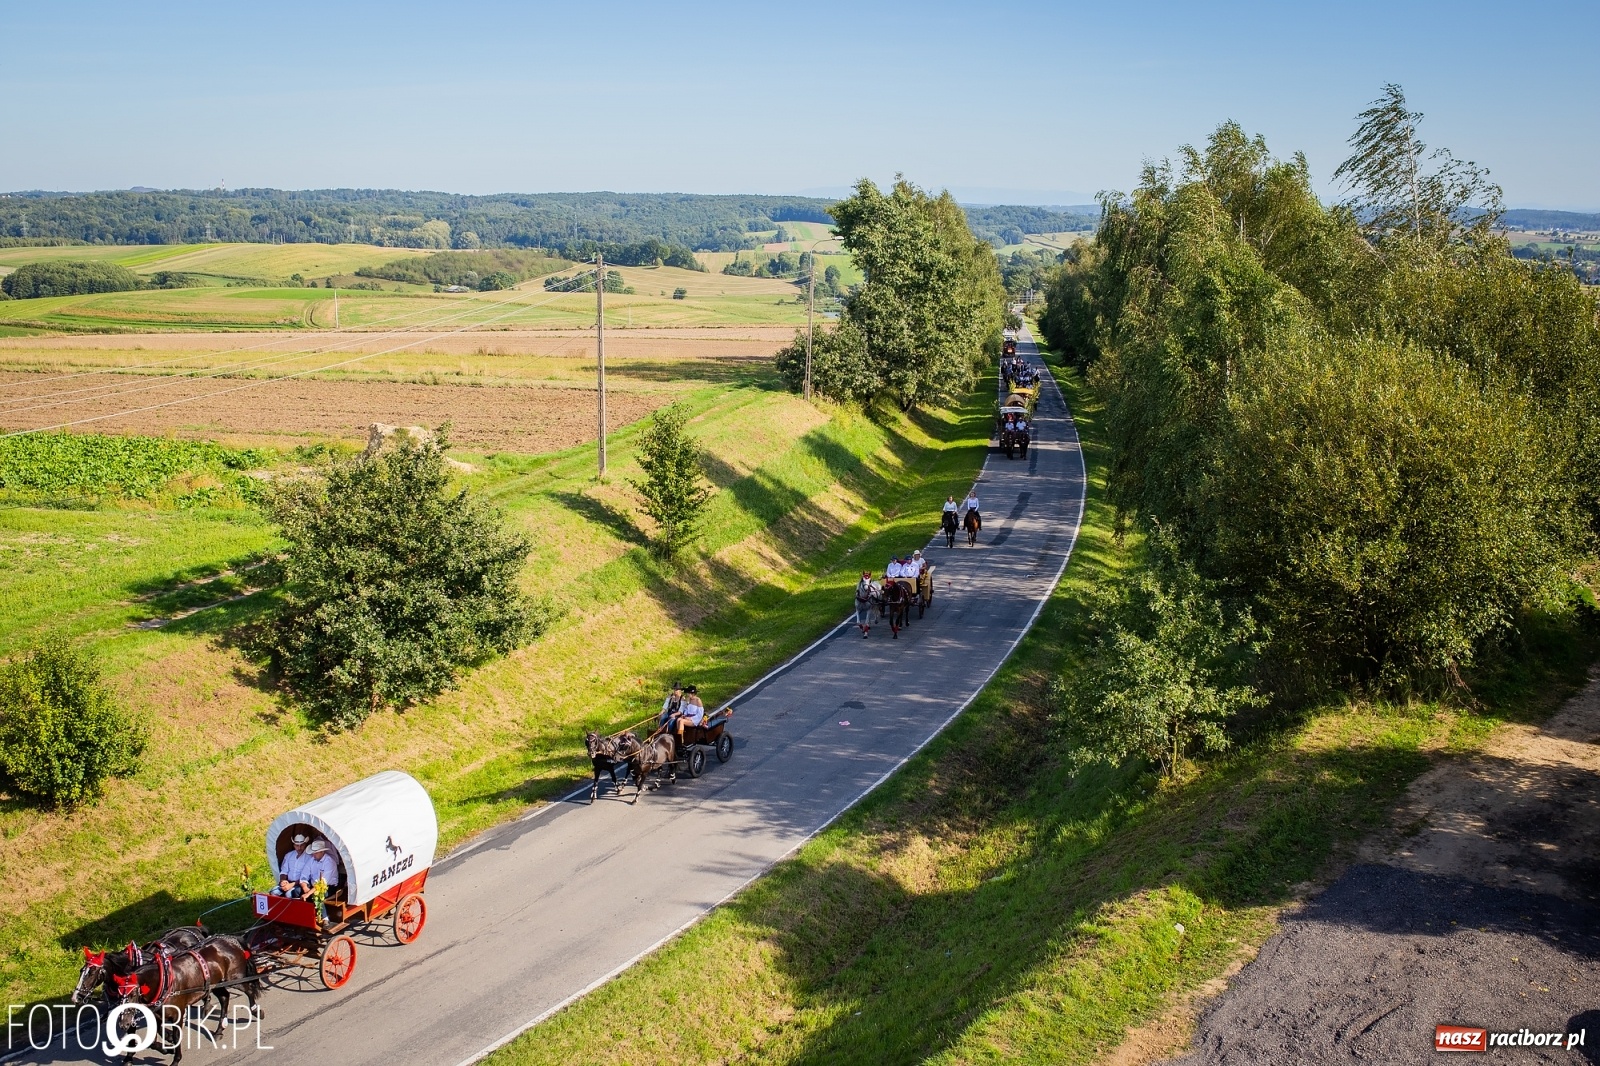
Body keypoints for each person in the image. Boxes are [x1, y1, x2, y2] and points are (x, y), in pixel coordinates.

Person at [273, 833, 314, 897]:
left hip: (301, 884)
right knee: (274, 892)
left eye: (301, 845)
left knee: (289, 894)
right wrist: (283, 880)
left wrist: (292, 884)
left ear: (305, 845)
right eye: (297, 845)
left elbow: (305, 877)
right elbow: (284, 871)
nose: (299, 848)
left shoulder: (309, 857)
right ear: (294, 845)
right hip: (288, 882)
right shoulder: (289, 855)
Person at [854, 570, 878, 637]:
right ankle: (859, 623)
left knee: (874, 595)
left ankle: (867, 627)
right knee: (857, 607)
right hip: (861, 594)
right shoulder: (859, 584)